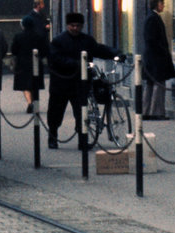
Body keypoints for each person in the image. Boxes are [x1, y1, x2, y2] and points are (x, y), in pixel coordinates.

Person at [46, 12, 121, 148]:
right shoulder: (58, 41)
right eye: (72, 25)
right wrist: (76, 63)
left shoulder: (87, 40)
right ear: (67, 25)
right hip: (61, 83)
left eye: (78, 26)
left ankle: (83, 139)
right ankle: (53, 136)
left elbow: (99, 49)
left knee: (81, 113)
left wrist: (115, 53)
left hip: (79, 84)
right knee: (55, 113)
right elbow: (56, 59)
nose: (75, 28)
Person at [140, 0, 175, 120]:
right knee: (158, 85)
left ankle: (146, 111)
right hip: (156, 59)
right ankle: (156, 112)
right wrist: (162, 52)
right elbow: (152, 40)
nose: (163, 6)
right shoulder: (153, 18)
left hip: (152, 58)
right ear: (157, 4)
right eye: (162, 3)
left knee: (151, 85)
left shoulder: (151, 17)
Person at [10, 14, 47, 113]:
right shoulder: (39, 36)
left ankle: (29, 102)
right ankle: (35, 102)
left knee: (25, 85)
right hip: (36, 63)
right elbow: (44, 51)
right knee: (35, 84)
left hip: (22, 63)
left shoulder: (18, 36)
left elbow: (14, 50)